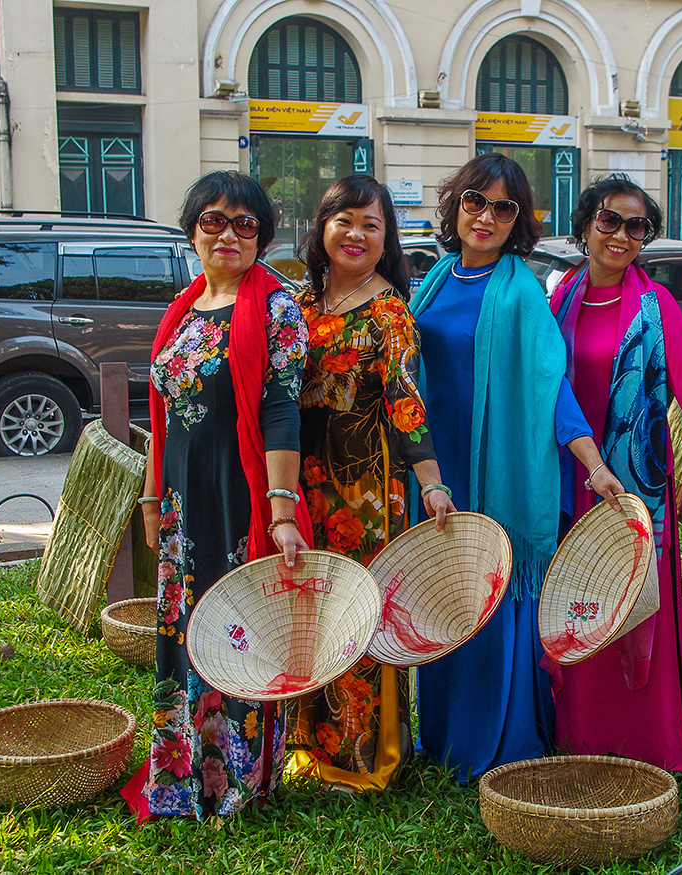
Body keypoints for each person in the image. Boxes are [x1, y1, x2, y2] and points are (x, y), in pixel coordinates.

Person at [410, 152, 623, 780]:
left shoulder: (522, 288)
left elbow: (549, 382)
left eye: (504, 208)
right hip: (434, 467)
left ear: (517, 222)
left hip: (497, 472)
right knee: (445, 594)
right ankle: (442, 737)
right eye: (475, 200)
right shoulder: (437, 277)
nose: (486, 217)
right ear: (456, 203)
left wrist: (592, 462)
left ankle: (496, 743)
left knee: (493, 596)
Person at [547, 175, 682, 771]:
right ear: (585, 224)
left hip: (636, 486)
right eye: (609, 221)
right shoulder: (559, 297)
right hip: (572, 477)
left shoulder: (656, 304)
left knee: (637, 606)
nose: (621, 235)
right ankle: (582, 735)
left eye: (636, 226)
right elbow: (544, 385)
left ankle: (647, 742)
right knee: (577, 602)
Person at [125, 171, 314, 820]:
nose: (228, 234)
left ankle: (239, 778)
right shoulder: (182, 308)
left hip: (241, 498)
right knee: (183, 633)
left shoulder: (277, 309)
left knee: (239, 629)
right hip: (181, 502)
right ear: (192, 229)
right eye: (214, 220)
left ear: (262, 237)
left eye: (245, 224)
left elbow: (283, 414)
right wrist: (152, 502)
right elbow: (162, 413)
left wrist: (281, 510)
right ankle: (181, 775)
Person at [287, 175, 456, 791]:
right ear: (322, 227)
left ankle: (364, 756)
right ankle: (301, 743)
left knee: (356, 612)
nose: (356, 234)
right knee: (303, 605)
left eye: (371, 224)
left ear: (387, 240)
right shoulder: (300, 302)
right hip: (299, 481)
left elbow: (407, 405)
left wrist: (431, 483)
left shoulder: (388, 312)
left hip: (361, 491)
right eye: (344, 220)